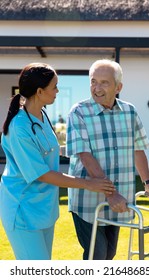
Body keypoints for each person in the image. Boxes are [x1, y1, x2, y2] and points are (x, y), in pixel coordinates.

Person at [0, 62, 114, 260]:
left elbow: (48, 150)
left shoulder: (42, 115)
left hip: (44, 210)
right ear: (40, 91)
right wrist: (88, 184)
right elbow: (42, 174)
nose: (57, 91)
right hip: (23, 211)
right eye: (54, 87)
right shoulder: (20, 127)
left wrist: (83, 149)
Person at [66, 59, 149, 260]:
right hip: (89, 202)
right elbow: (84, 155)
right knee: (97, 255)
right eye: (93, 81)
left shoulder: (130, 112)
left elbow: (138, 149)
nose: (97, 88)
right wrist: (111, 194)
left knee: (109, 255)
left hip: (121, 199)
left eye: (104, 82)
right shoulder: (79, 112)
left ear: (119, 87)